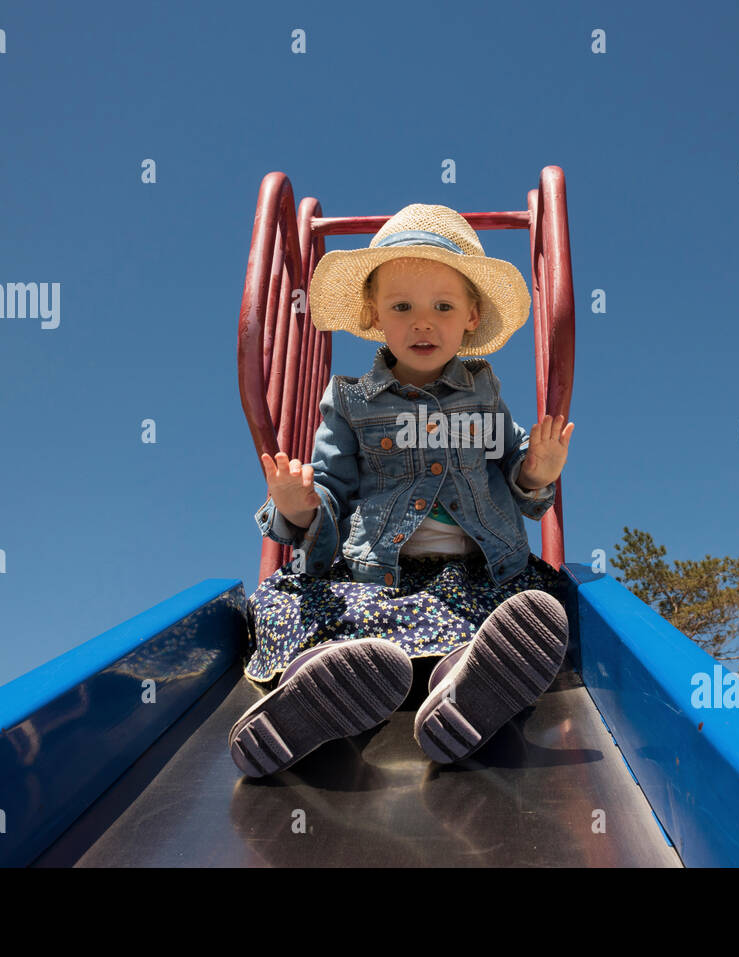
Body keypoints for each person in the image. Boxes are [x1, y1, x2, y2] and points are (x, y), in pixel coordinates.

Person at [230, 203, 576, 778]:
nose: (423, 322)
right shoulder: (350, 401)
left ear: (471, 317)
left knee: (511, 617)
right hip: (376, 578)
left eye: (443, 306)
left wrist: (537, 469)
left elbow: (519, 475)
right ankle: (311, 691)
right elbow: (332, 488)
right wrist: (297, 507)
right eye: (402, 306)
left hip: (473, 576)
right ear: (374, 315)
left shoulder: (483, 392)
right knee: (300, 607)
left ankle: (464, 692)